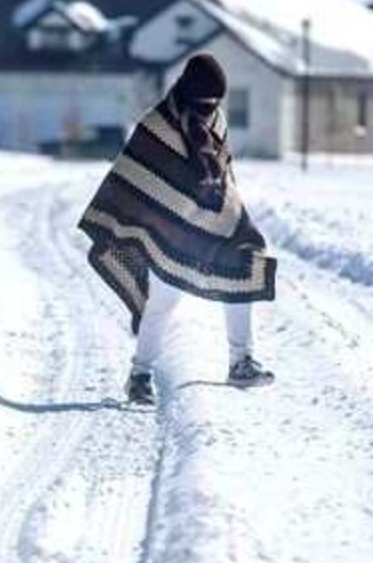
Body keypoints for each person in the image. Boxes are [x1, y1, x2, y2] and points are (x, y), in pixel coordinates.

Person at [78, 54, 276, 406]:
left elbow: (224, 174)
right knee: (162, 303)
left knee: (242, 271)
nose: (210, 106)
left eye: (216, 100)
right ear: (189, 91)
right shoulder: (157, 124)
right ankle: (140, 375)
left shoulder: (217, 119)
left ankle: (241, 361)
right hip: (170, 229)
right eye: (206, 99)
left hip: (215, 224)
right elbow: (135, 176)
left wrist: (228, 213)